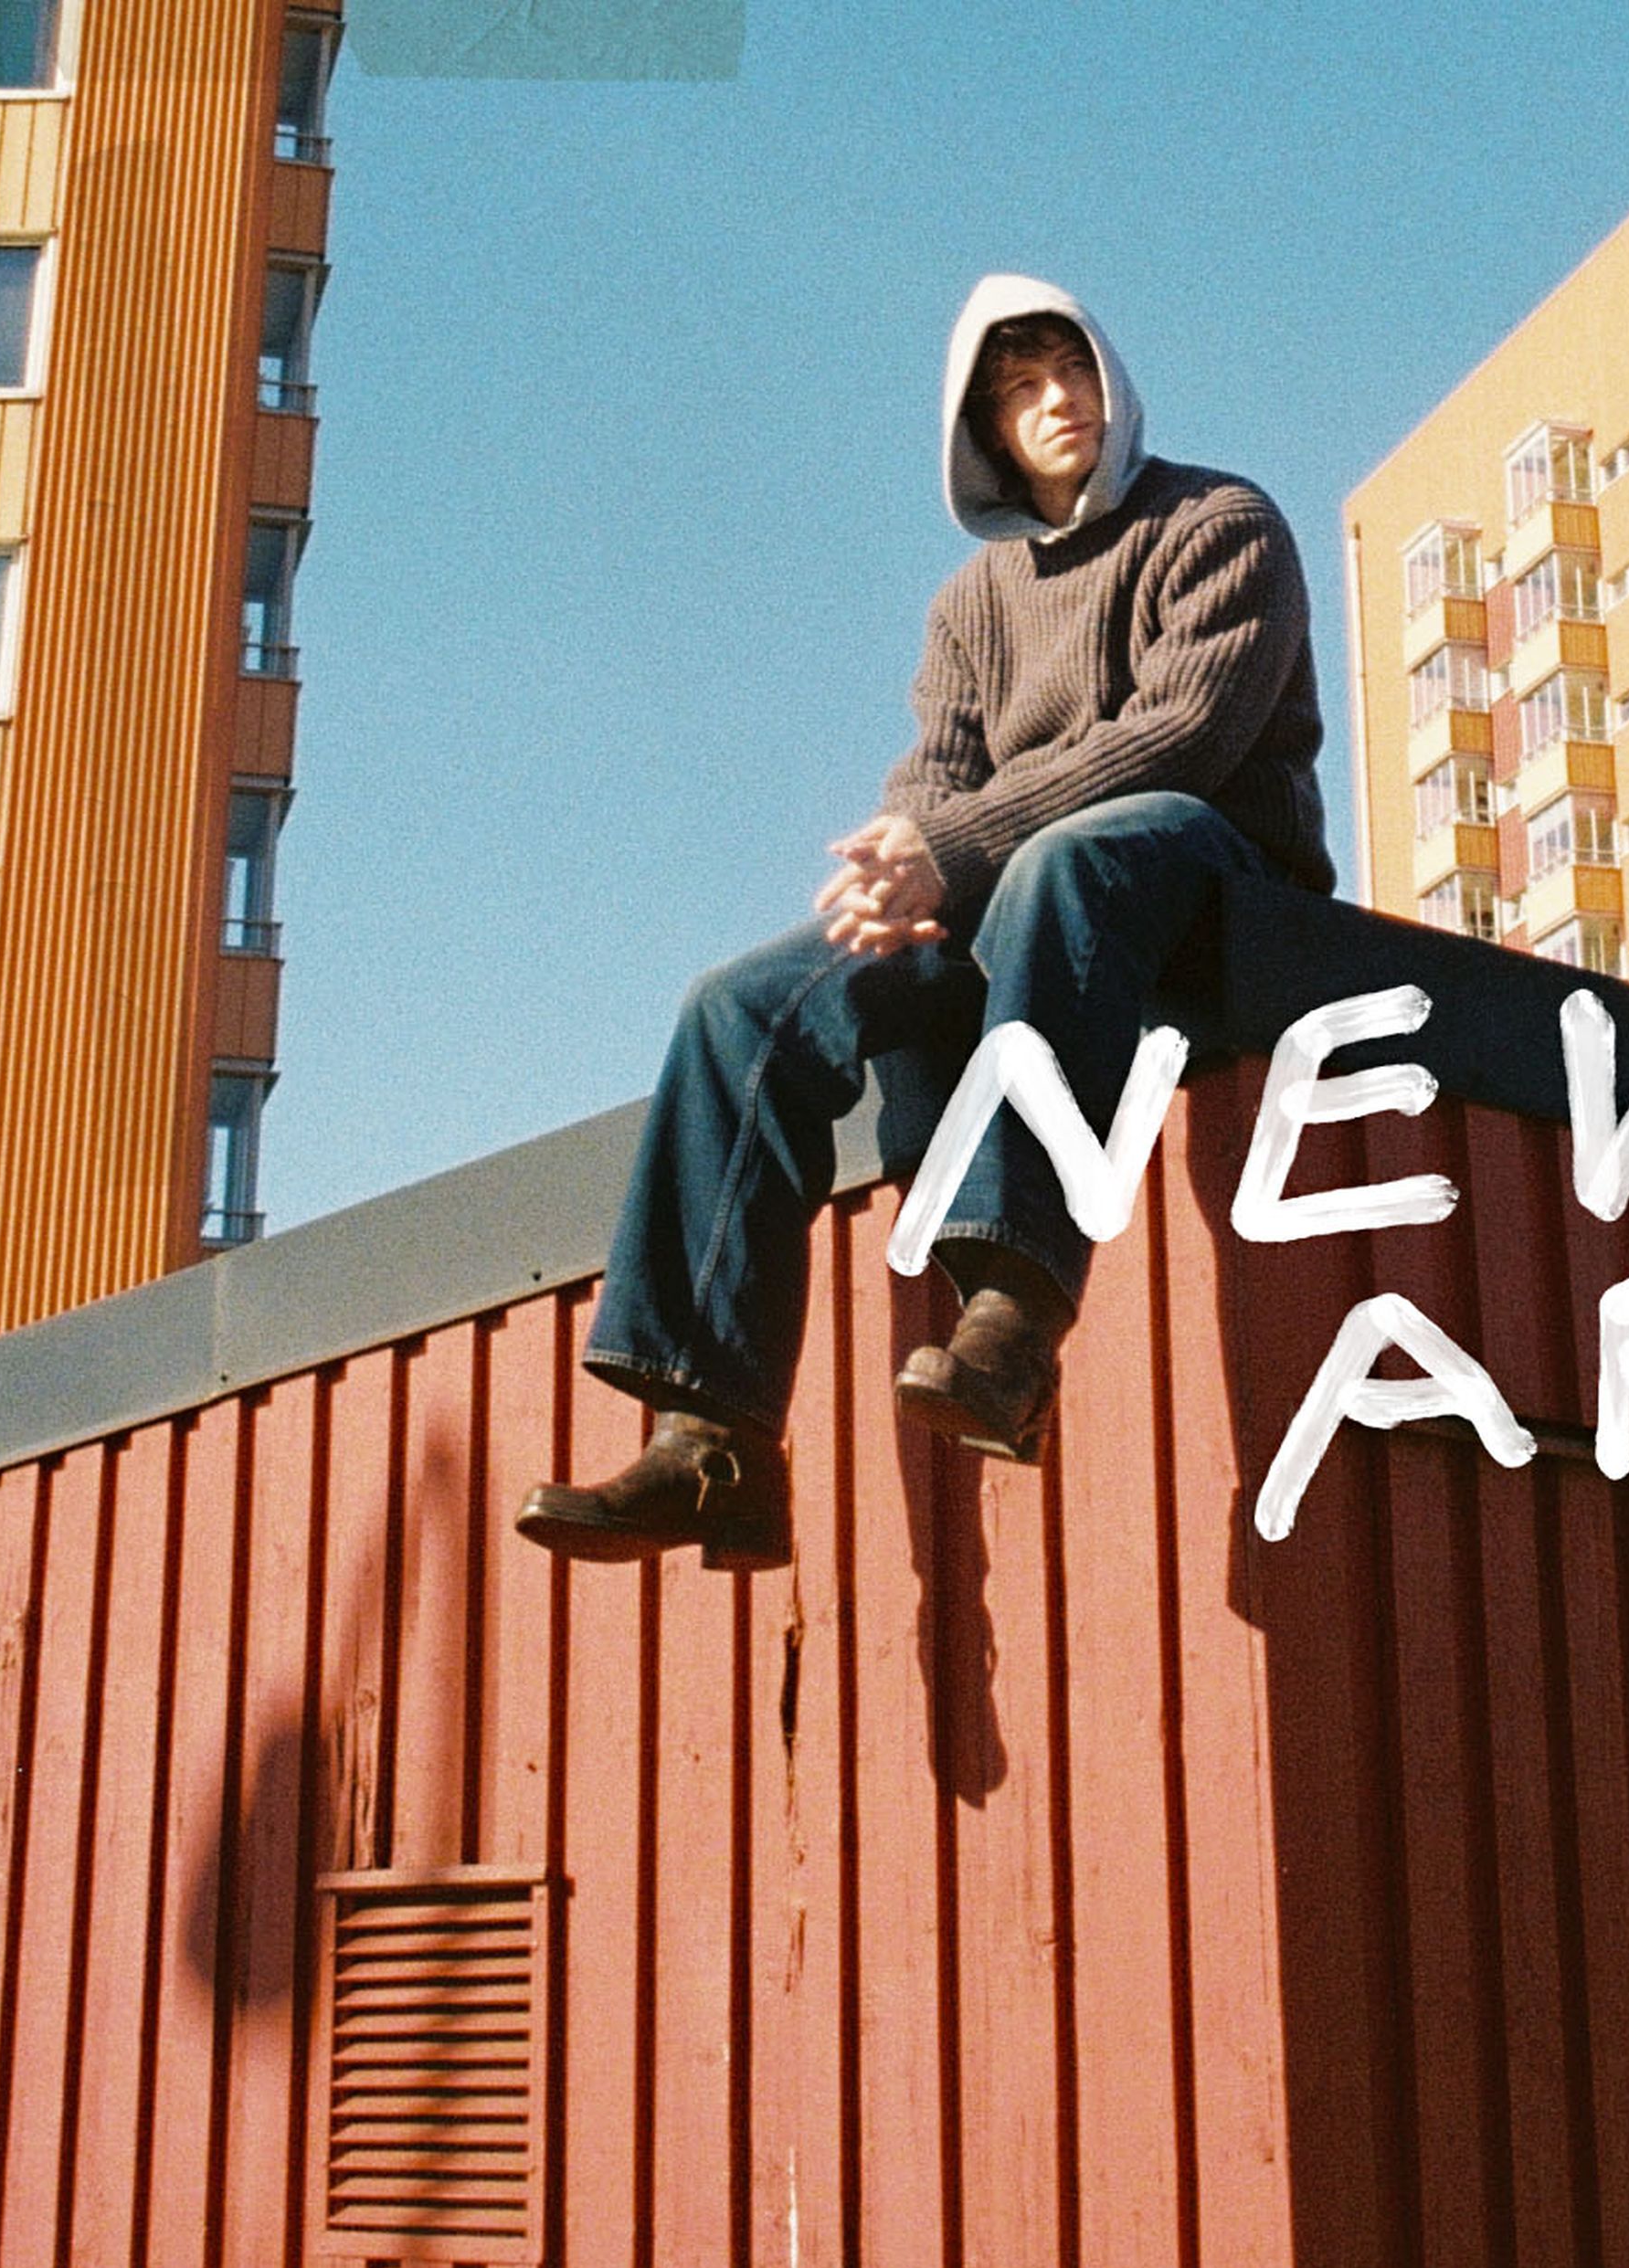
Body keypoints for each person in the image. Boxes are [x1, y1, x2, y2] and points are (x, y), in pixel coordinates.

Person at [516, 274, 1331, 1567]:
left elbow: (1187, 733)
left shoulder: (1219, 520)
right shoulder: (970, 606)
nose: (1052, 401)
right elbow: (934, 788)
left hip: (1219, 876)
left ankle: (1012, 1313)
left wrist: (947, 847)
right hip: (1027, 888)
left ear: (1108, 380)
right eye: (1016, 390)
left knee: (1070, 856)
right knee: (743, 1003)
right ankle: (709, 1435)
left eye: (1067, 370)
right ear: (987, 432)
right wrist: (886, 881)